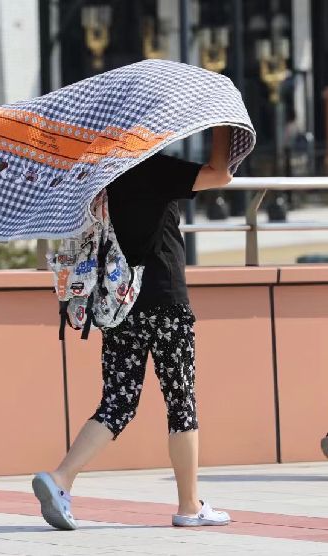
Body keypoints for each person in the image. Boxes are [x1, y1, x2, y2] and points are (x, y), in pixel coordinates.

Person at [33, 127, 234, 529]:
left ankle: (61, 478)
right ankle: (189, 506)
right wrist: (222, 127)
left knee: (117, 403)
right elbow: (220, 175)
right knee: (181, 403)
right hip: (165, 301)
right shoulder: (155, 169)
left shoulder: (100, 177)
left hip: (119, 303)